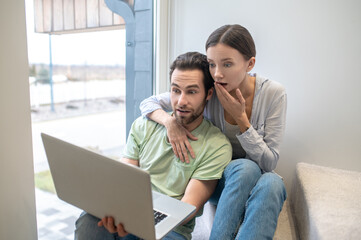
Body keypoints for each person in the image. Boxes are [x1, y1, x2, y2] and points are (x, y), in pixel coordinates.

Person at [140, 24, 287, 239]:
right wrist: (170, 123)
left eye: (227, 64)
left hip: (255, 177)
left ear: (250, 63)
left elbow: (269, 163)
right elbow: (148, 103)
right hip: (217, 178)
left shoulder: (274, 94)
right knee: (245, 168)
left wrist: (242, 120)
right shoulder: (211, 90)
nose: (217, 74)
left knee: (273, 183)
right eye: (212, 64)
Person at [74, 52, 232, 240]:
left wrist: (142, 219)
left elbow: (189, 207)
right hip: (130, 213)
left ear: (208, 94)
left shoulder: (217, 145)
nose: (181, 101)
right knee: (88, 220)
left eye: (191, 91)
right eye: (176, 90)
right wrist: (119, 211)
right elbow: (125, 177)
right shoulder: (144, 125)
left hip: (172, 230)